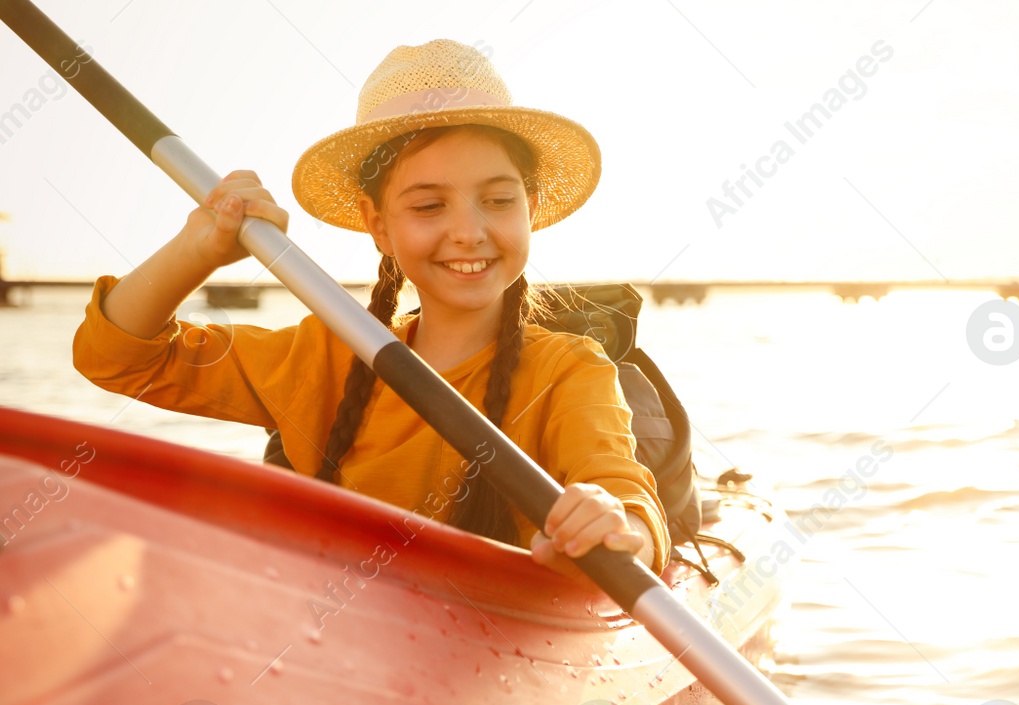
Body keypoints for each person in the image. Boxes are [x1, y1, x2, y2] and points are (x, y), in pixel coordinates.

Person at [72, 39, 666, 580]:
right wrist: (197, 249)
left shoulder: (569, 370)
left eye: (499, 200)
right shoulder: (324, 355)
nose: (469, 231)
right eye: (429, 205)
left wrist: (618, 524)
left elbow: (622, 491)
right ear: (377, 224)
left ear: (530, 209)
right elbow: (116, 357)